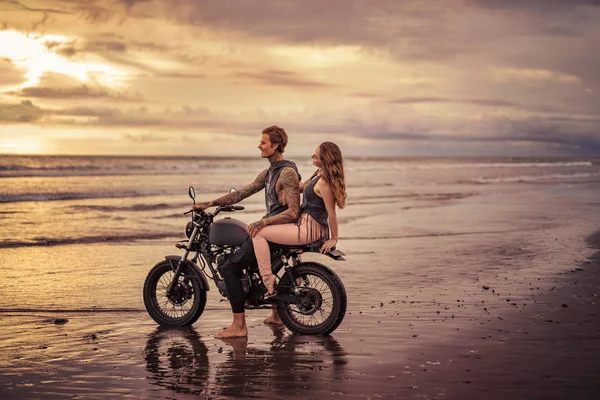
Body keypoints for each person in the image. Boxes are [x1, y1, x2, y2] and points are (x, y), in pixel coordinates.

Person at [192, 125, 301, 338]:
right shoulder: (270, 172)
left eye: (263, 142)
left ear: (275, 145)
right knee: (249, 260)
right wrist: (211, 202)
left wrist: (263, 223)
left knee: (229, 266)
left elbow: (294, 211)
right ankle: (277, 315)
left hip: (276, 231)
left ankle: (239, 326)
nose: (259, 145)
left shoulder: (286, 172)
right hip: (273, 228)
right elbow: (243, 192)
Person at [249, 142, 347, 300]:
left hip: (308, 229)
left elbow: (331, 213)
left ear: (326, 159)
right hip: (303, 223)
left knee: (258, 233)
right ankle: (295, 274)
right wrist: (282, 183)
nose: (312, 157)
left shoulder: (324, 183)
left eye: (316, 156)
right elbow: (300, 187)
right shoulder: (318, 174)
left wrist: (334, 238)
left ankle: (268, 279)